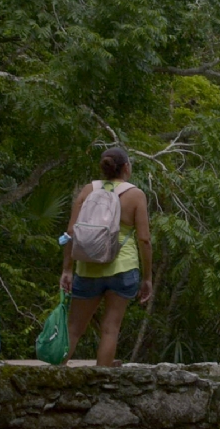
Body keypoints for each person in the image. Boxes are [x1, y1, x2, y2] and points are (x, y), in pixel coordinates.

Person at [61, 146, 152, 366]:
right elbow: (144, 240)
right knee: (110, 329)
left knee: (73, 329)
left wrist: (67, 269)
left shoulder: (87, 191)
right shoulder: (135, 195)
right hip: (122, 268)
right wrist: (148, 277)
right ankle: (102, 385)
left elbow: (70, 232)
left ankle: (53, 380)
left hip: (87, 267)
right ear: (126, 168)